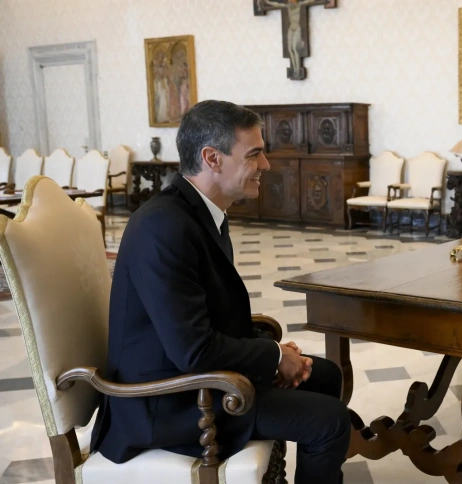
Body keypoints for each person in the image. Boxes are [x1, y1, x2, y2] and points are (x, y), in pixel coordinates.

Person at [90, 100, 351, 484]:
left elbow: (210, 319)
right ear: (212, 158)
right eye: (254, 154)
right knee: (330, 422)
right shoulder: (163, 227)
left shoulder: (199, 213)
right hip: (164, 402)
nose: (266, 165)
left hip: (195, 379)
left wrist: (275, 353)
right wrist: (273, 356)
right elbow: (193, 350)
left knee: (325, 375)